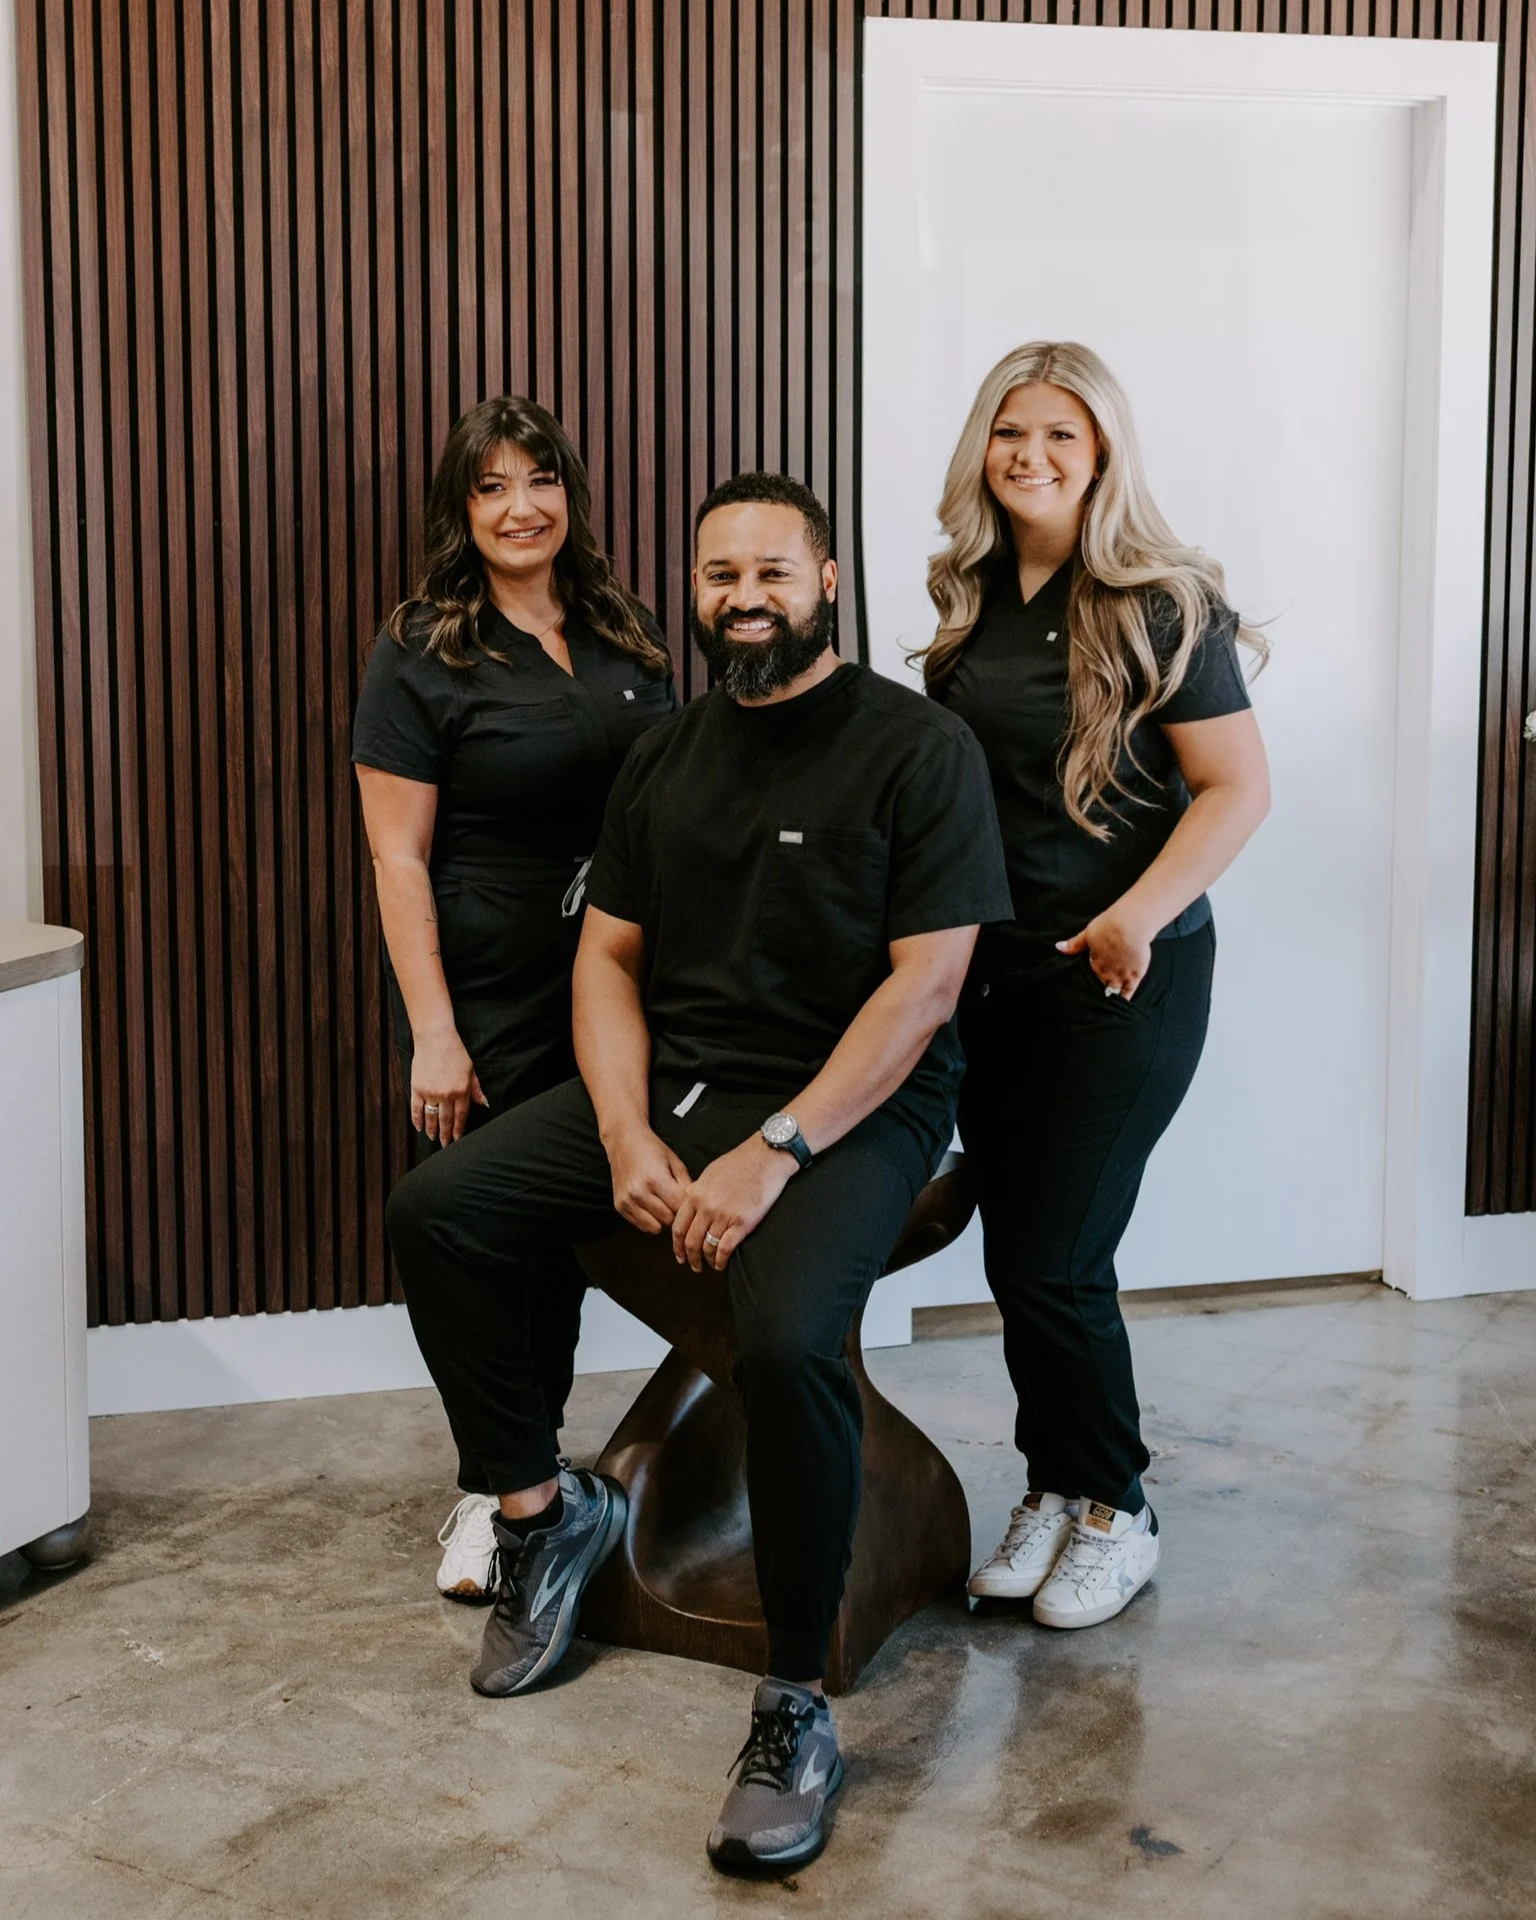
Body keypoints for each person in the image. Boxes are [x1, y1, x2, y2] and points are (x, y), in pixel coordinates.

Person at [384, 471, 1011, 1873]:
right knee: (444, 1211)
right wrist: (621, 1132)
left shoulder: (919, 750)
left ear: (830, 582)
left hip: (861, 1108)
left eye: (773, 574)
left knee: (790, 1341)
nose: (743, 599)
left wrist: (774, 1152)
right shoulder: (665, 754)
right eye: (721, 574)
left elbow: (926, 989)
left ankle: (794, 1700)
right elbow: (606, 959)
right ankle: (540, 1519)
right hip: (679, 1082)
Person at [924, 341, 1270, 1630]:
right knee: (1022, 1257)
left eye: (1062, 436)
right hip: (995, 982)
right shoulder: (970, 598)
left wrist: (1135, 913)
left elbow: (1240, 788)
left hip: (1127, 981)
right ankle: (1056, 1485)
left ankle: (1121, 1507)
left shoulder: (1159, 600)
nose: (1032, 455)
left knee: (1060, 1257)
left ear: (1105, 454)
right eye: (1012, 431)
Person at [352, 395, 675, 1602]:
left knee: (559, 1251)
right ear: (461, 509)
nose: (520, 506)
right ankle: (498, 1491)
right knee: (481, 1242)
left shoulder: (625, 629)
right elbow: (396, 856)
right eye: (490, 487)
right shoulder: (421, 647)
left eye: (539, 479)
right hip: (480, 997)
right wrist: (434, 1031)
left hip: (613, 988)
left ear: (571, 495)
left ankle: (527, 1472)